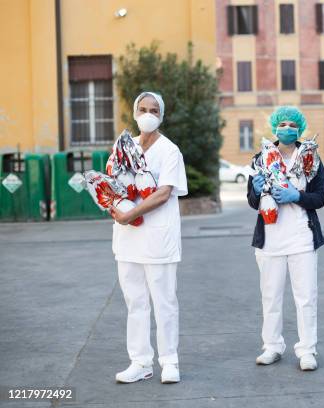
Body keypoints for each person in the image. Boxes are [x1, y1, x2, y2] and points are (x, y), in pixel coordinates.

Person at [110, 92, 188, 384]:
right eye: (142, 109)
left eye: (154, 110)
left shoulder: (170, 151)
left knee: (164, 301)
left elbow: (164, 192)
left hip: (158, 241)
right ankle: (140, 362)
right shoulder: (122, 148)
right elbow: (112, 185)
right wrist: (112, 206)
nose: (147, 113)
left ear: (161, 115)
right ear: (134, 112)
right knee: (136, 302)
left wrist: (131, 214)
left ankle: (169, 361)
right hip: (128, 240)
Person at [247, 106, 324, 371]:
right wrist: (257, 191)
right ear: (274, 128)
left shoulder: (310, 157)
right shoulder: (261, 157)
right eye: (282, 124)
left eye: (292, 124)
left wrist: (297, 197)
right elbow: (252, 200)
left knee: (306, 297)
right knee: (270, 297)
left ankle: (307, 350)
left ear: (300, 128)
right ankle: (272, 346)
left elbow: (320, 198)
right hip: (270, 240)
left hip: (302, 238)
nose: (287, 128)